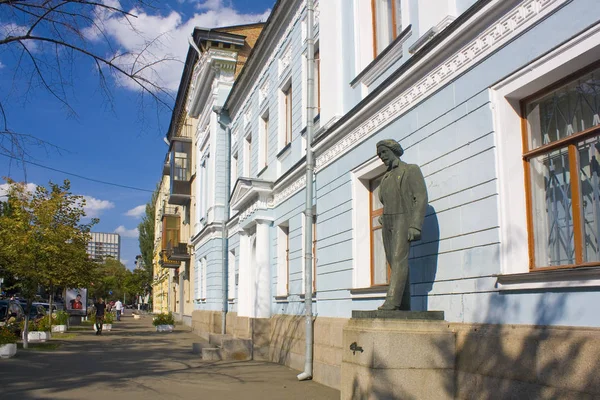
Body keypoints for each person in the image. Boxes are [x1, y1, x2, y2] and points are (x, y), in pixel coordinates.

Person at [376, 139, 428, 311]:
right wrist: (384, 217)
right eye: (379, 154)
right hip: (388, 222)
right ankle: (404, 303)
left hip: (403, 219)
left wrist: (415, 225)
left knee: (399, 260)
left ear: (393, 150)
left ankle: (392, 301)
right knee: (394, 262)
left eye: (384, 152)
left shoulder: (410, 170)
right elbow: (386, 200)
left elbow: (420, 198)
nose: (381, 157)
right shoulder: (385, 177)